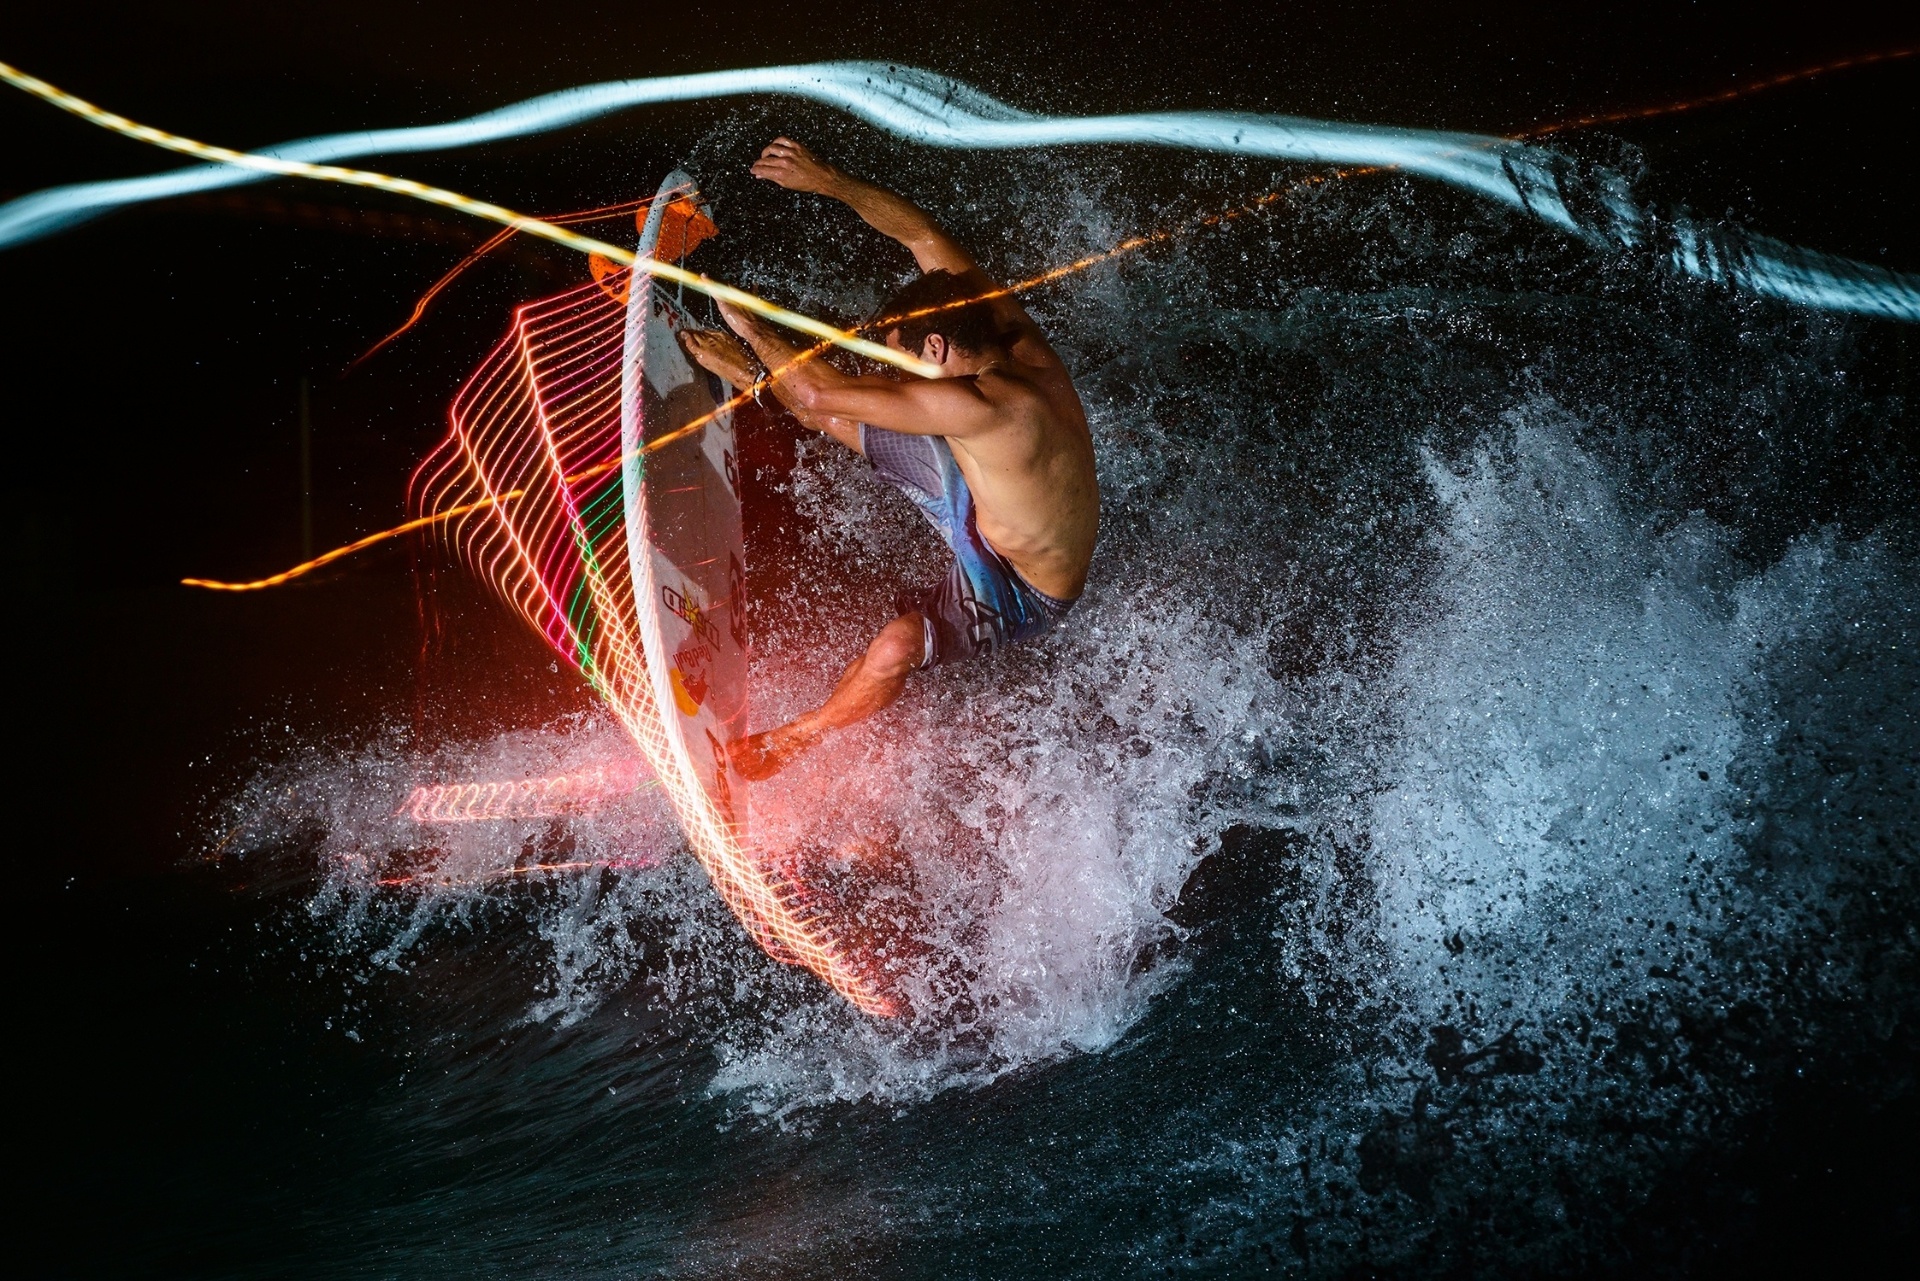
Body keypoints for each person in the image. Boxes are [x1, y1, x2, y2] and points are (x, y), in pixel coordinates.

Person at [679, 138, 1098, 781]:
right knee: (835, 417)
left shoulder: (987, 407)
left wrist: (751, 327)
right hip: (982, 489)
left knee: (895, 646)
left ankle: (797, 737)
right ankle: (754, 380)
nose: (900, 375)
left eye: (904, 361)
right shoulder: (1009, 337)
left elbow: (817, 390)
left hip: (1020, 583)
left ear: (937, 347)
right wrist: (830, 181)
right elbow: (923, 234)